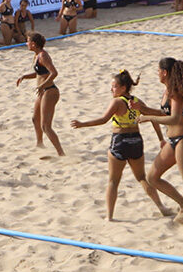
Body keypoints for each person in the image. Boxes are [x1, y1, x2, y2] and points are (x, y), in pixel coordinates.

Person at [70, 70, 170, 221]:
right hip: (136, 140)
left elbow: (103, 120)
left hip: (120, 140)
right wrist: (160, 138)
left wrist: (82, 124)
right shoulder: (137, 101)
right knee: (142, 178)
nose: (112, 89)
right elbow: (152, 118)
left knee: (113, 181)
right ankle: (161, 206)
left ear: (123, 88)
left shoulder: (117, 102)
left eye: (114, 86)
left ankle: (109, 216)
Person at [137, 57, 183, 232]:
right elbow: (165, 112)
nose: (157, 74)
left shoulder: (176, 92)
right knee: (152, 177)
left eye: (158, 71)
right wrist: (143, 109)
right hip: (173, 141)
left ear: (165, 72)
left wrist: (148, 118)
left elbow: (175, 118)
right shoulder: (167, 91)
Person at [16, 32, 65, 156]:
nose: (26, 43)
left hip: (50, 91)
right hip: (43, 91)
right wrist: (25, 76)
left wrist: (42, 85)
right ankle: (39, 143)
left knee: (46, 126)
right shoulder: (37, 55)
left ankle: (61, 153)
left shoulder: (43, 56)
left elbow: (54, 73)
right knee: (35, 119)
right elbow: (40, 73)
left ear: (33, 44)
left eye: (28, 41)